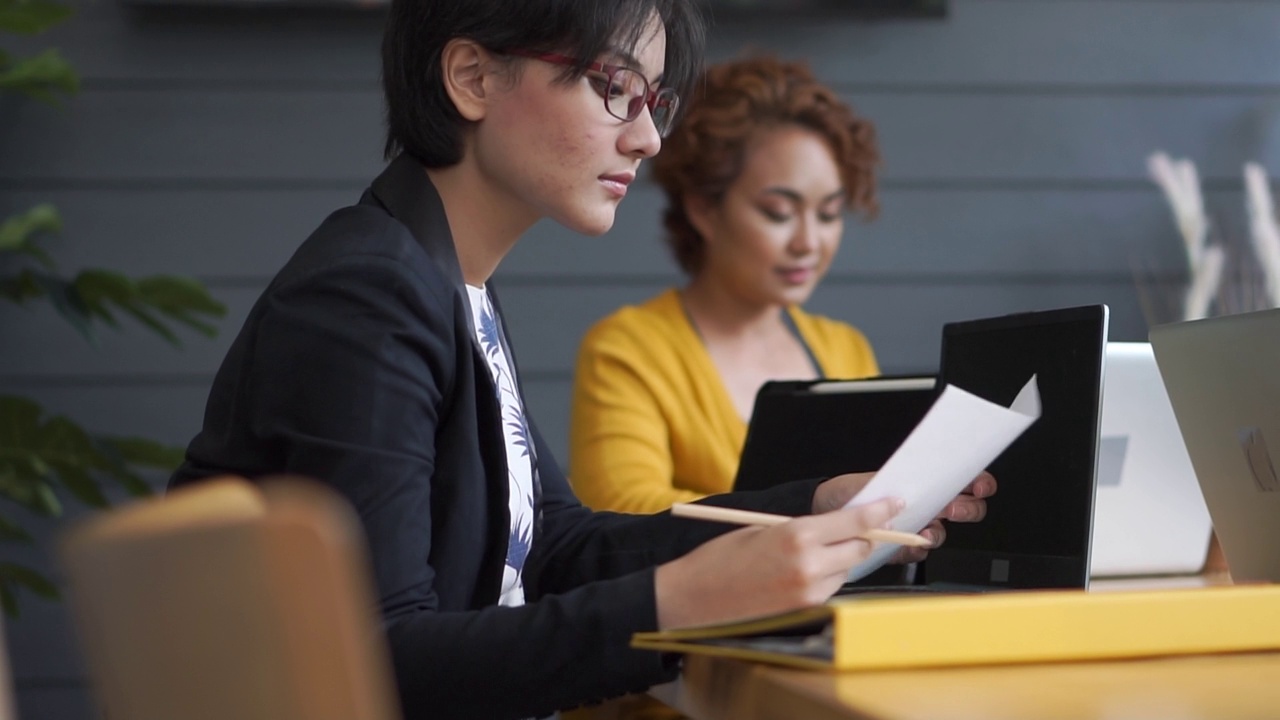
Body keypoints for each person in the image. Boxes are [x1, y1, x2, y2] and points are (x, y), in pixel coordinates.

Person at [167, 3, 994, 719]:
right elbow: (383, 662)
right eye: (615, 88)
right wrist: (686, 602)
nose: (649, 136)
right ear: (472, 77)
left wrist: (809, 508)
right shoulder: (369, 296)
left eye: (656, 99)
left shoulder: (449, 286)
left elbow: (554, 548)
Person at [569, 56, 888, 515]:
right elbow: (624, 511)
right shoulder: (628, 350)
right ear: (703, 209)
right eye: (779, 212)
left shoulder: (846, 350)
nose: (808, 242)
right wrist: (808, 511)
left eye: (829, 214)